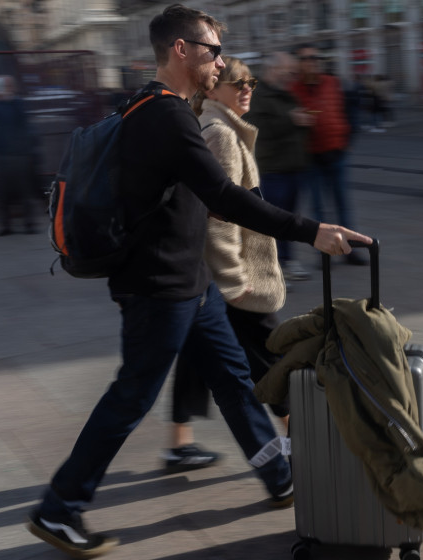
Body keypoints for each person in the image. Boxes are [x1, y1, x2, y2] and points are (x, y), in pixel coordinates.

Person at [25, 6, 371, 559]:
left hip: (192, 282)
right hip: (159, 287)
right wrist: (312, 231)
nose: (221, 63)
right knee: (131, 396)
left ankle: (277, 474)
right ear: (180, 50)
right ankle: (59, 507)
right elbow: (224, 196)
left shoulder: (154, 105)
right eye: (213, 51)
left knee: (233, 379)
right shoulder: (164, 114)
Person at [163, 56, 292, 473]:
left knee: (196, 355)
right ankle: (295, 438)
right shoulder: (220, 134)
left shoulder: (220, 128)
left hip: (212, 275)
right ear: (212, 89)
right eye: (237, 83)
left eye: (250, 82)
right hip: (236, 274)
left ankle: (179, 443)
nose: (247, 89)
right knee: (270, 355)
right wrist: (235, 280)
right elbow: (218, 217)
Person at [291, 43, 367, 266]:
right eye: (306, 59)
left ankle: (349, 250)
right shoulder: (293, 89)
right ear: (299, 63)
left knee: (343, 204)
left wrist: (348, 140)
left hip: (336, 153)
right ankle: (324, 254)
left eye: (315, 58)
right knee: (318, 210)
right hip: (311, 158)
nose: (312, 62)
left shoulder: (333, 83)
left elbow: (351, 110)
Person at [244, 51, 314, 283]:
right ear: (273, 70)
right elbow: (257, 130)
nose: (292, 76)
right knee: (273, 221)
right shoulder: (258, 96)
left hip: (293, 167)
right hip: (272, 170)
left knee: (290, 219)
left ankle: (286, 261)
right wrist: (292, 120)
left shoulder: (286, 94)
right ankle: (271, 268)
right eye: (289, 72)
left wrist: (302, 122)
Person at [0, 75, 39, 236]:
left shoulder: (18, 102)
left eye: (6, 85)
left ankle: (29, 224)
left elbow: (23, 119)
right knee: (1, 192)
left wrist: (9, 99)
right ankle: (5, 226)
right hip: (0, 153)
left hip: (20, 154)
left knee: (24, 190)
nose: (3, 89)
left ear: (12, 87)